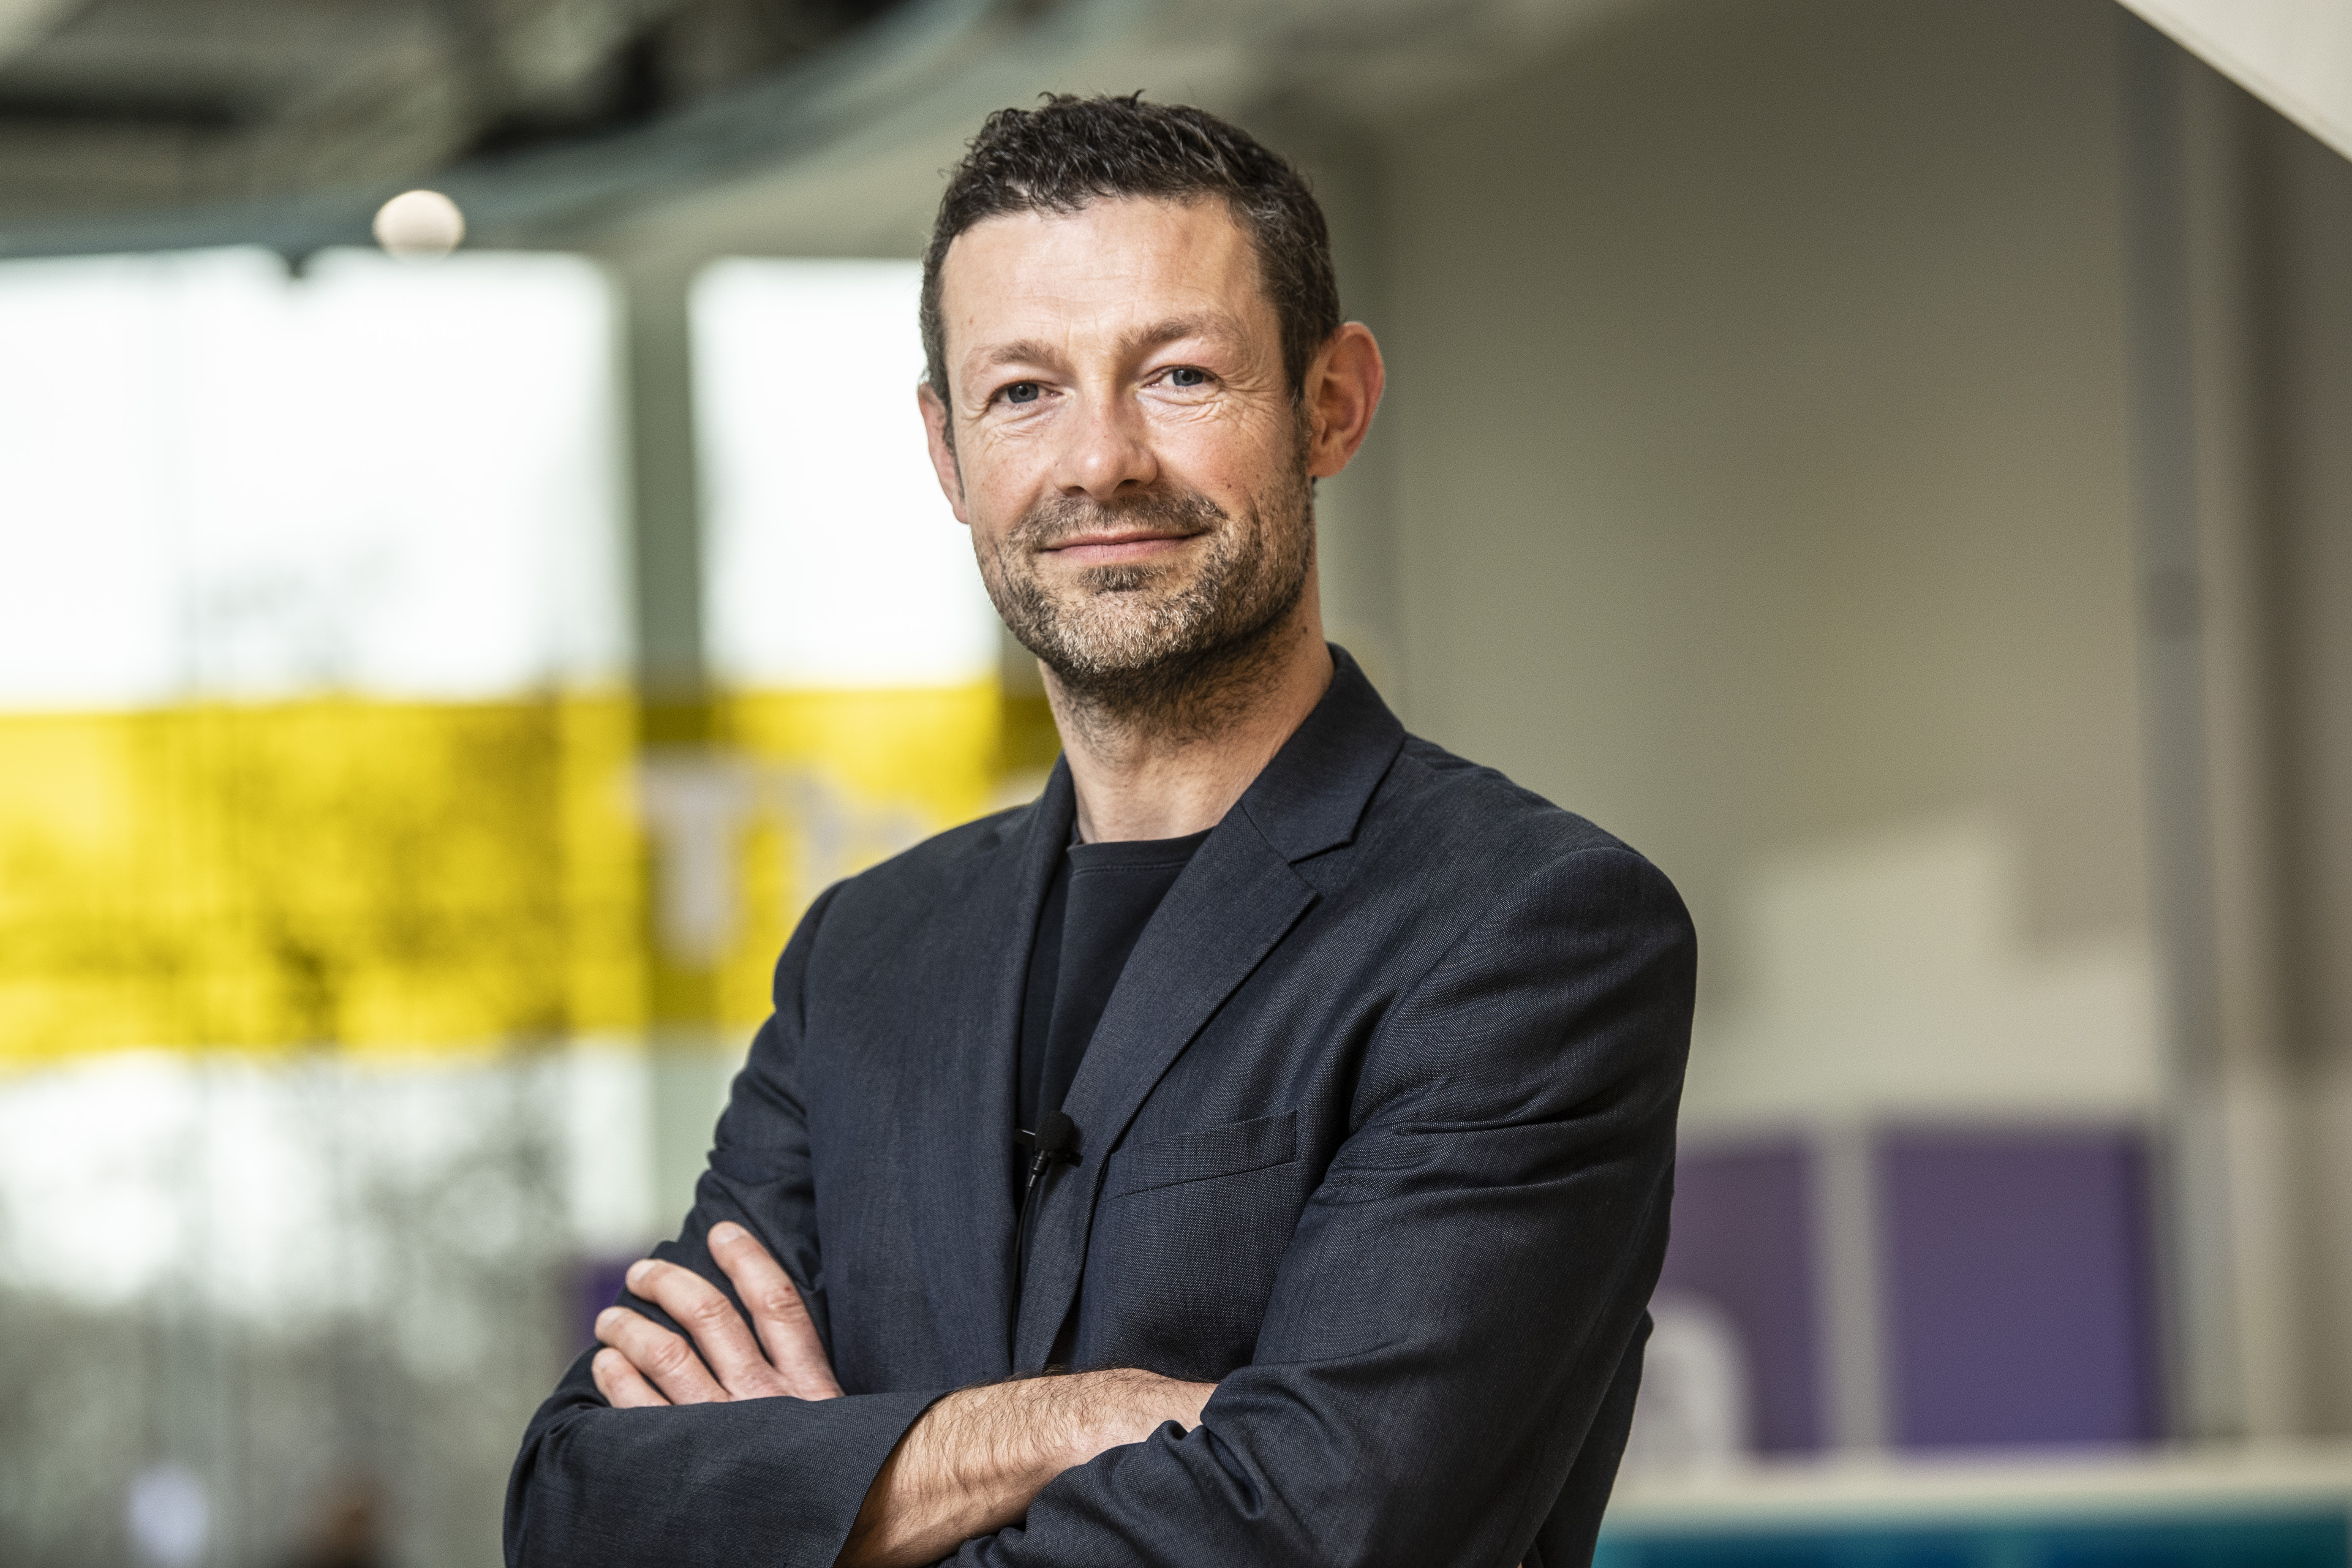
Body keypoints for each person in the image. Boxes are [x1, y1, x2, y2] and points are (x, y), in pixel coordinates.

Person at [505, 93, 1694, 1568]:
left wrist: (813, 1499)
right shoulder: (866, 960)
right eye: (1024, 392)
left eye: (1181, 375)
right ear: (947, 453)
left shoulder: (1528, 928)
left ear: (1332, 404)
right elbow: (580, 1507)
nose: (1102, 462)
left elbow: (1328, 1532)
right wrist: (1070, 1423)